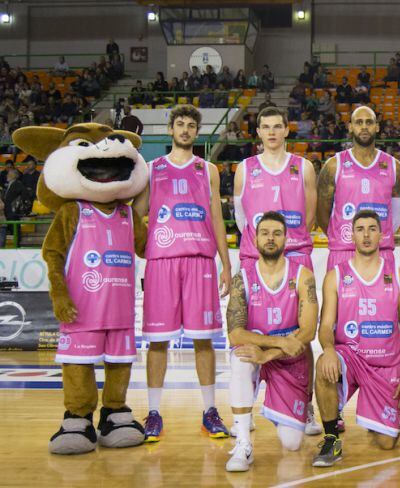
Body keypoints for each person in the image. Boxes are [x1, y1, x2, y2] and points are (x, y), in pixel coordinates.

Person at [132, 105, 232, 442]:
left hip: (200, 262)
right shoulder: (151, 169)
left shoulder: (208, 170)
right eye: (180, 124)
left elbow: (217, 218)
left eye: (191, 125)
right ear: (171, 129)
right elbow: (138, 212)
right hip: (162, 262)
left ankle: (209, 411)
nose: (186, 130)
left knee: (204, 339)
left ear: (197, 132)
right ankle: (154, 413)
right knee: (158, 342)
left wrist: (226, 263)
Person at [232, 107, 321, 434]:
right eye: (265, 127)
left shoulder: (304, 167)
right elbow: (243, 220)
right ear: (258, 132)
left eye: (277, 126)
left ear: (287, 130)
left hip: (296, 255)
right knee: (251, 332)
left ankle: (306, 405)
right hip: (255, 259)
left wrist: (290, 242)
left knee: (301, 333)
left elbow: (309, 216)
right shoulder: (245, 169)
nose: (271, 132)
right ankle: (246, 409)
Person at [312, 210, 400, 467]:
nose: (366, 235)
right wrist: (328, 349)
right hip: (351, 356)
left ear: (381, 234)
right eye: (360, 229)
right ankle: (331, 438)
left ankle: (380, 418)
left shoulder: (398, 276)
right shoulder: (336, 276)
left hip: (386, 364)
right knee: (323, 367)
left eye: (371, 229)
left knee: (386, 443)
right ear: (352, 235)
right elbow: (325, 326)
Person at [224, 212, 319, 471]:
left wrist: (269, 354)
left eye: (277, 233)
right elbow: (235, 334)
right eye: (265, 233)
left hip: (288, 359)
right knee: (241, 357)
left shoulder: (303, 275)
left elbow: (308, 331)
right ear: (255, 239)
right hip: (259, 350)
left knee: (291, 443)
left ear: (286, 239)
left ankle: (284, 408)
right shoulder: (242, 278)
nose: (270, 238)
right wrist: (275, 343)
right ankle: (243, 443)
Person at [316, 106, 400, 271]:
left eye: (369, 122)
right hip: (343, 251)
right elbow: (321, 212)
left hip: (381, 251)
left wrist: (380, 235)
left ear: (377, 127)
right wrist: (339, 235)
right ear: (350, 127)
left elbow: (397, 214)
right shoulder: (333, 165)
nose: (364, 127)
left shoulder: (394, 166)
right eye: (359, 122)